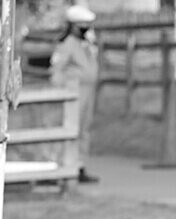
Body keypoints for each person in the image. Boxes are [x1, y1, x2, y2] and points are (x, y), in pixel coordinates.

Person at [50, 4, 100, 184]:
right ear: (73, 26)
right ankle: (62, 166)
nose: (86, 29)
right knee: (70, 129)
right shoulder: (67, 44)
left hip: (88, 92)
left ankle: (79, 165)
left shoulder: (86, 43)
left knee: (84, 130)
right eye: (83, 26)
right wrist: (60, 93)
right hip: (73, 94)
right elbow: (57, 69)